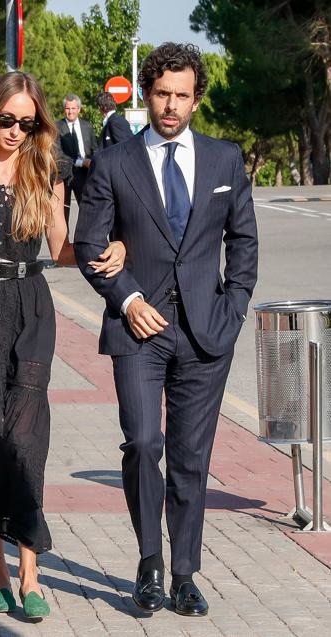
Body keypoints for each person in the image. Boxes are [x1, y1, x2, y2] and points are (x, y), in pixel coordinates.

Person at [0, 71, 126, 620]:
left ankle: (31, 576)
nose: (17, 131)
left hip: (27, 309)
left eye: (28, 121)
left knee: (22, 442)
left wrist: (111, 247)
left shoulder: (46, 168)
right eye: (6, 119)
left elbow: (61, 247)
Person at [74, 43, 258, 618]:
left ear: (196, 100)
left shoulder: (225, 160)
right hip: (138, 331)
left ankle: (184, 574)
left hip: (207, 333)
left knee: (190, 457)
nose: (171, 105)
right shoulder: (113, 162)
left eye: (182, 95)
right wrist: (126, 297)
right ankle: (147, 564)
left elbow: (244, 243)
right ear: (146, 94)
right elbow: (88, 245)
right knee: (143, 443)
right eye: (161, 94)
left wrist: (231, 310)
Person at [55, 93, 98, 224]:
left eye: (73, 108)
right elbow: (58, 153)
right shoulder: (56, 127)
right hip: (65, 176)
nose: (70, 111)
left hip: (85, 175)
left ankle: (87, 241)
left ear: (79, 109)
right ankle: (64, 242)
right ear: (64, 109)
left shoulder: (87, 126)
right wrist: (80, 162)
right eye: (68, 108)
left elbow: (94, 148)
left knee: (87, 210)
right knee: (63, 212)